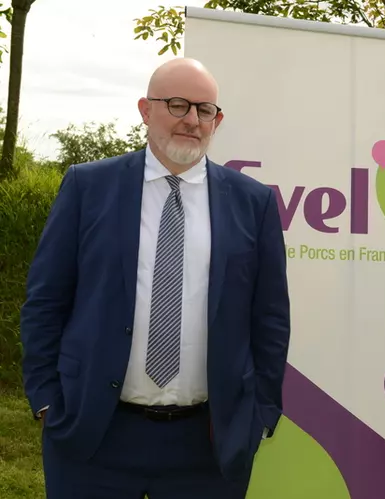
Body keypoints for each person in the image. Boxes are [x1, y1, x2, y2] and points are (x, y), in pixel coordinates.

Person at [20, 57, 291, 498]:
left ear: (217, 120)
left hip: (207, 445)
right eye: (178, 104)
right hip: (93, 433)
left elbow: (271, 320)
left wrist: (259, 413)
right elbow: (45, 302)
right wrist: (49, 400)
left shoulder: (253, 203)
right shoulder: (88, 187)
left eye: (205, 110)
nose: (192, 120)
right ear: (146, 110)